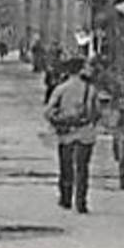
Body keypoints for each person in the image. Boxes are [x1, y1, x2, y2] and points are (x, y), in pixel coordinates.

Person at [44, 58, 106, 214]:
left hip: (66, 134)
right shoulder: (90, 90)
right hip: (85, 133)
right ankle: (81, 202)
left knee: (66, 167)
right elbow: (97, 112)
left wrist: (58, 120)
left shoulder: (61, 89)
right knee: (82, 168)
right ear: (80, 70)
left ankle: (66, 198)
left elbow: (48, 111)